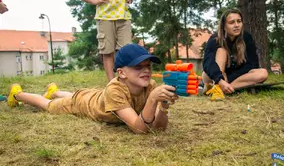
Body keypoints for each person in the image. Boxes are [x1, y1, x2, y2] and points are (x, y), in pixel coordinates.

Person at [7, 44, 179, 134]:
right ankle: (18, 94)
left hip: (97, 97)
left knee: (79, 95)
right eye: (137, 67)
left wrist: (162, 107)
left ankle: (55, 91)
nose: (146, 70)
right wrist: (151, 100)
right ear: (121, 73)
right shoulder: (115, 90)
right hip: (83, 104)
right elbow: (140, 128)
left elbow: (159, 128)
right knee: (49, 105)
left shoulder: (151, 87)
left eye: (148, 66)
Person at [202, 8, 268, 100]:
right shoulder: (215, 39)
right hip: (215, 77)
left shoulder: (247, 38)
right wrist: (220, 80)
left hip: (235, 78)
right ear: (224, 26)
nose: (236, 25)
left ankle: (224, 89)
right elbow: (208, 63)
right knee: (222, 51)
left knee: (263, 73)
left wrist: (229, 80)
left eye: (239, 21)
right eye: (232, 22)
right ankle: (218, 86)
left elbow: (253, 64)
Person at [78, 0, 137, 81]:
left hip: (124, 17)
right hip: (104, 17)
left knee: (125, 52)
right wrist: (95, 1)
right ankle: (112, 84)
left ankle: (124, 82)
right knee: (107, 51)